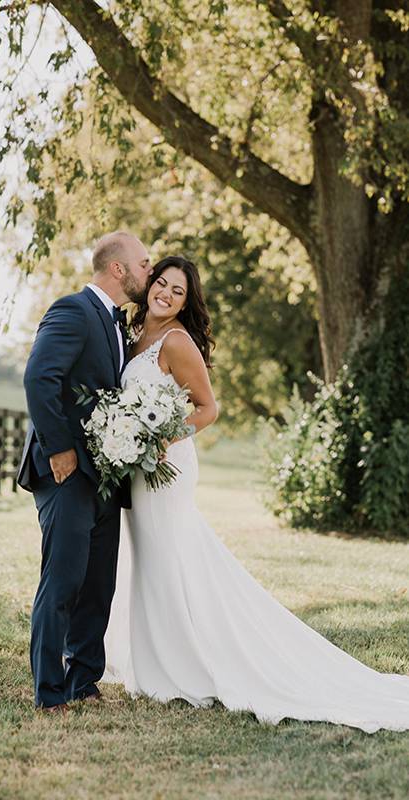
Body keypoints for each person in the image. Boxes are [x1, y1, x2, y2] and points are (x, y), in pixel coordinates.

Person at [103, 255, 409, 734]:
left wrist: (162, 438)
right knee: (148, 557)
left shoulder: (177, 340)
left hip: (168, 464)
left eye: (177, 291)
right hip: (140, 470)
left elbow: (208, 409)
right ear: (149, 286)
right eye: (160, 283)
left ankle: (183, 667)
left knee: (169, 556)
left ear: (188, 301)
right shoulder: (133, 333)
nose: (165, 293)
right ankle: (154, 659)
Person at [17, 231, 152, 713]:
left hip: (106, 476)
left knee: (98, 584)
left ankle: (83, 680)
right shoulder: (73, 309)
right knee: (64, 581)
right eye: (143, 263)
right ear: (118, 270)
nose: (148, 271)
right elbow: (39, 377)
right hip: (66, 474)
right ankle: (49, 691)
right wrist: (59, 450)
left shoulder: (120, 325)